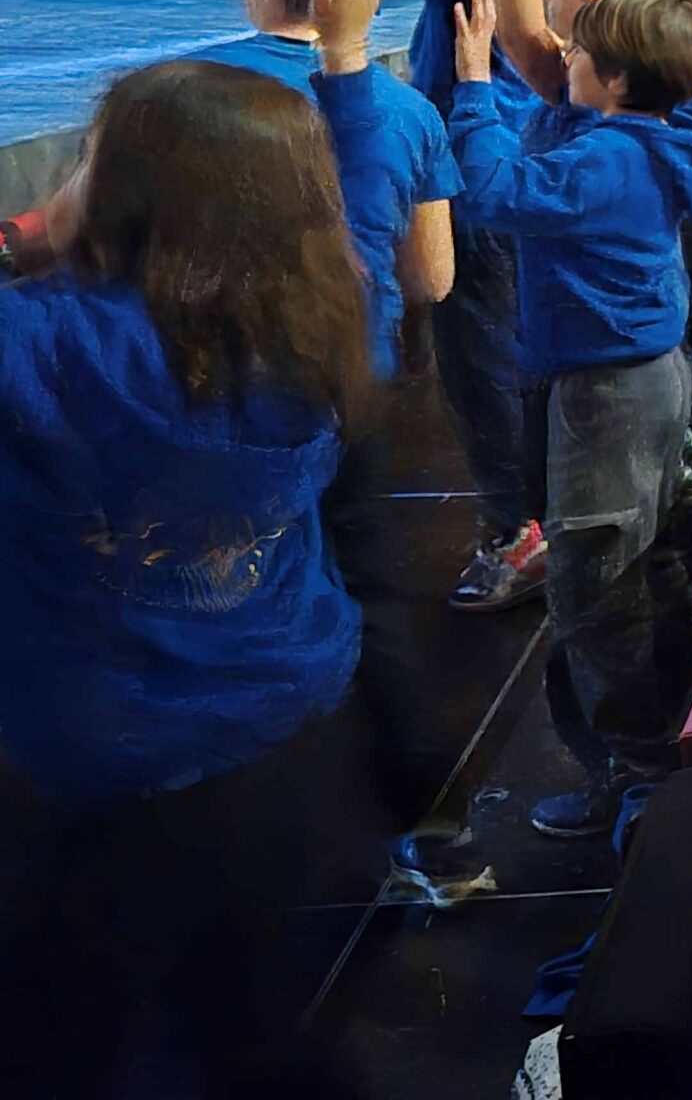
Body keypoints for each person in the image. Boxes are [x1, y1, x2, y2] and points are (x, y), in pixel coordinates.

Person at [0, 62, 375, 1094]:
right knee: (252, 1016)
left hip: (103, 761)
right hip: (283, 728)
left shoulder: (46, 351)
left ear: (129, 198)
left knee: (60, 1036)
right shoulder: (328, 316)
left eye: (90, 159)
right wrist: (347, 73)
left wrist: (21, 239)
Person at [439, 0, 692, 839]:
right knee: (645, 557)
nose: (560, 54)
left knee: (594, 584)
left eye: (580, 50)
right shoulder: (660, 131)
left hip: (608, 392)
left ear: (616, 77)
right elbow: (544, 59)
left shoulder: (606, 157)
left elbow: (493, 195)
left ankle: (633, 773)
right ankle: (660, 732)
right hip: (645, 378)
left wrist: (470, 89)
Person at [333, 0, 547, 611]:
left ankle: (518, 530)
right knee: (523, 362)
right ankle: (543, 511)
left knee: (483, 367)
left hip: (478, 194)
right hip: (519, 187)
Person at [230, 0, 460, 377]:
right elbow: (431, 279)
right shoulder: (412, 113)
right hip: (358, 375)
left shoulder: (177, 88)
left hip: (222, 373)